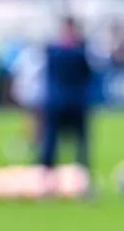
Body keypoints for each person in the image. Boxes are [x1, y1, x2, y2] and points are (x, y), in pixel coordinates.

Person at [39, 17, 95, 190]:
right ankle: (47, 182)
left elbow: (89, 73)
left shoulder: (81, 51)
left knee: (82, 143)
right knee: (51, 143)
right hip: (57, 103)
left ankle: (83, 183)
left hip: (77, 102)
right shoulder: (54, 51)